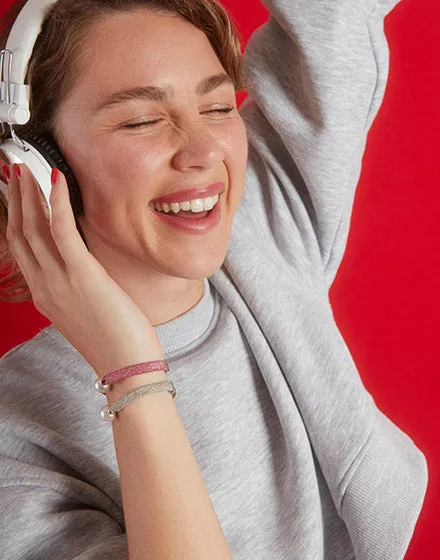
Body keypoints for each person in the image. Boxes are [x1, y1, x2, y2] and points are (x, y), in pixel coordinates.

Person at [0, 0, 428, 558]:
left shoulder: (263, 235)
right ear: (33, 165)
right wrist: (130, 369)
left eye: (220, 106)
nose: (203, 152)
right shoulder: (17, 435)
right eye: (142, 121)